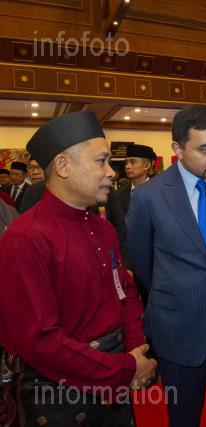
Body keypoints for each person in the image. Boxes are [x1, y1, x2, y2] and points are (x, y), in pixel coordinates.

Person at [0, 111, 156, 426]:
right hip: (59, 393)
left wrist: (136, 349)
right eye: (101, 161)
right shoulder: (24, 238)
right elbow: (39, 340)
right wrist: (126, 369)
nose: (111, 172)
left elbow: (124, 292)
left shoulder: (104, 229)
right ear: (63, 166)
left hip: (117, 374)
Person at [126, 104, 206, 427]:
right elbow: (143, 263)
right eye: (205, 149)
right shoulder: (149, 197)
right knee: (182, 419)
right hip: (179, 333)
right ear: (178, 148)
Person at [107, 144, 156, 268]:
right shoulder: (117, 195)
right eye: (126, 162)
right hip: (126, 261)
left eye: (133, 162)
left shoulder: (160, 192)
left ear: (147, 165)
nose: (127, 166)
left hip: (154, 261)